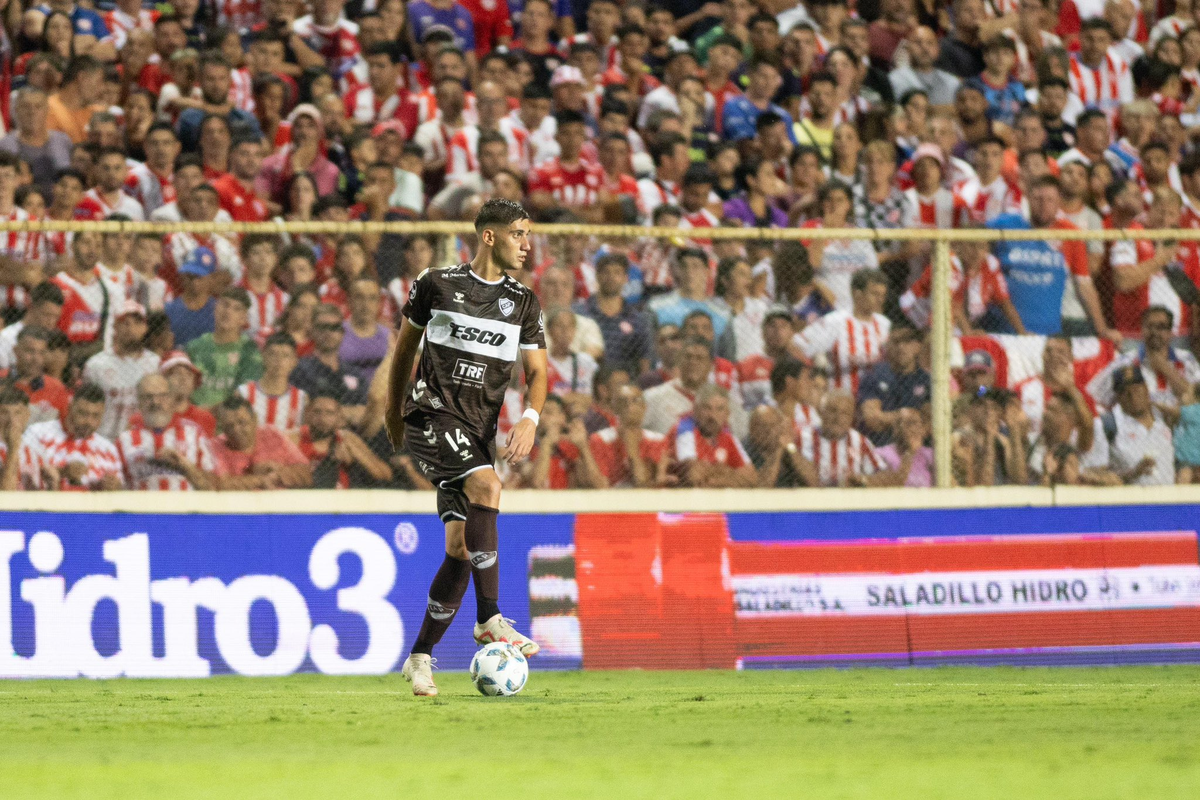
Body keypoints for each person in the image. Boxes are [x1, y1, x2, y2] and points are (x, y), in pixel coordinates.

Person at [384, 198, 548, 697]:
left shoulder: (523, 301)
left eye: (528, 233)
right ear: (490, 236)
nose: (527, 242)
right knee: (487, 484)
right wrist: (393, 415)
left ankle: (419, 658)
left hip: (477, 431)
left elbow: (538, 373)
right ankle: (490, 618)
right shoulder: (436, 283)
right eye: (519, 233)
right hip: (430, 414)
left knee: (460, 547)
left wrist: (530, 417)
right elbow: (403, 352)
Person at [117, 373, 217, 491]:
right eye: (148, 397)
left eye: (162, 396)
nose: (155, 402)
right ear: (139, 402)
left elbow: (211, 486)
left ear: (172, 399)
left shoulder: (194, 435)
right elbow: (117, 487)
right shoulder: (124, 440)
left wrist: (183, 465)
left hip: (185, 508)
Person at [81, 299, 161, 441]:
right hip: (104, 440)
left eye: (137, 323)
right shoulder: (96, 365)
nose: (131, 328)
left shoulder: (156, 364)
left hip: (142, 441)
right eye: (125, 323)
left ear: (145, 328)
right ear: (115, 327)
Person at [19, 383, 123, 491]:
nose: (89, 421)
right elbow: (22, 476)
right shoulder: (37, 433)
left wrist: (115, 487)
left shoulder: (108, 449)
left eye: (96, 415)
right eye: (83, 413)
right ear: (70, 407)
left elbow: (121, 489)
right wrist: (62, 472)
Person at [1084, 365, 1177, 486]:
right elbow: (1089, 473)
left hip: (1171, 501)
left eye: (1136, 388)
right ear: (1118, 397)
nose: (1132, 396)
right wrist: (1132, 474)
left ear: (1146, 389)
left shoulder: (1166, 419)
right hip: (1130, 502)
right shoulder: (1108, 424)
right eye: (1125, 392)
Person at [210, 394, 313, 489]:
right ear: (221, 427)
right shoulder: (215, 446)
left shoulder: (272, 434)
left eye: (242, 422)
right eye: (229, 426)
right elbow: (220, 484)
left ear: (254, 419)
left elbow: (306, 471)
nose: (236, 430)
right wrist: (260, 479)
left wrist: (278, 472)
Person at [294, 388, 393, 488]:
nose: (322, 418)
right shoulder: (294, 438)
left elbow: (385, 475)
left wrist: (355, 452)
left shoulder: (347, 439)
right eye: (317, 412)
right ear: (307, 414)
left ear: (339, 417)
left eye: (329, 413)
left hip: (342, 500)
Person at [187, 287, 264, 408]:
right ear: (215, 308)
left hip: (229, 419)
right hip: (194, 416)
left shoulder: (249, 351)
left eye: (236, 309)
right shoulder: (195, 346)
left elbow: (245, 394)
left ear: (244, 319)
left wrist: (208, 412)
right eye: (225, 305)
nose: (228, 312)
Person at [667, 385, 757, 488]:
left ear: (727, 414)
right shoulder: (684, 429)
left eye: (720, 409)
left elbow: (752, 478)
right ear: (695, 410)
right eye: (707, 408)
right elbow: (694, 476)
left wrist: (714, 478)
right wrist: (728, 472)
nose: (712, 415)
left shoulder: (727, 434)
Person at [587, 384, 668, 487]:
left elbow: (643, 483)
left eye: (635, 401)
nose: (630, 406)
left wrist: (633, 454)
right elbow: (601, 487)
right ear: (614, 408)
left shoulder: (658, 440)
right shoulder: (600, 439)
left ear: (644, 407)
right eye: (623, 402)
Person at [237, 333, 307, 432]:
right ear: (263, 357)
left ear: (294, 361)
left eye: (285, 355)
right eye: (273, 354)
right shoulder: (243, 393)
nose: (279, 361)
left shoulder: (302, 399)